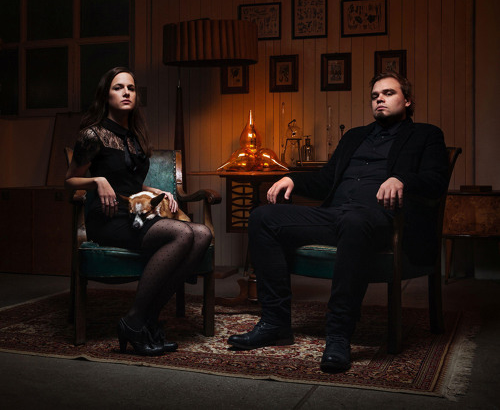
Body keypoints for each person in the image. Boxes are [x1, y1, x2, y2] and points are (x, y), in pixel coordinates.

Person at [227, 72, 448, 373]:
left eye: (388, 93)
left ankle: (339, 334)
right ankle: (275, 323)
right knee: (262, 217)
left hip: (381, 220)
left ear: (407, 100)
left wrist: (401, 179)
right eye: (375, 96)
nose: (380, 99)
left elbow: (436, 181)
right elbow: (325, 180)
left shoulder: (426, 135)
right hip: (335, 215)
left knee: (355, 221)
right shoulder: (355, 136)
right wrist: (292, 178)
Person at [65, 67, 212, 356]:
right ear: (106, 95)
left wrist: (157, 191)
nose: (126, 93)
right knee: (183, 233)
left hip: (136, 214)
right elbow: (69, 180)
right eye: (118, 87)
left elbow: (130, 183)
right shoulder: (93, 135)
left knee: (203, 234)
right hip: (108, 218)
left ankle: (145, 319)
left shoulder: (135, 137)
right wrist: (97, 180)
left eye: (130, 88)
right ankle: (135, 320)